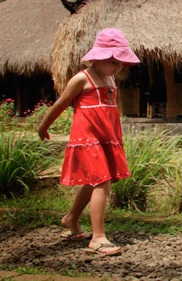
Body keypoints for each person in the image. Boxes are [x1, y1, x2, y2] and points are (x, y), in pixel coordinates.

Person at [38, 28, 140, 256]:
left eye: (121, 62)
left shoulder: (111, 78)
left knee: (94, 180)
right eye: (113, 61)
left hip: (105, 138)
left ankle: (71, 218)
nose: (118, 67)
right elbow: (61, 104)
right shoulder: (82, 78)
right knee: (102, 181)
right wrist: (44, 126)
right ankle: (98, 237)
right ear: (98, 58)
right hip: (87, 138)